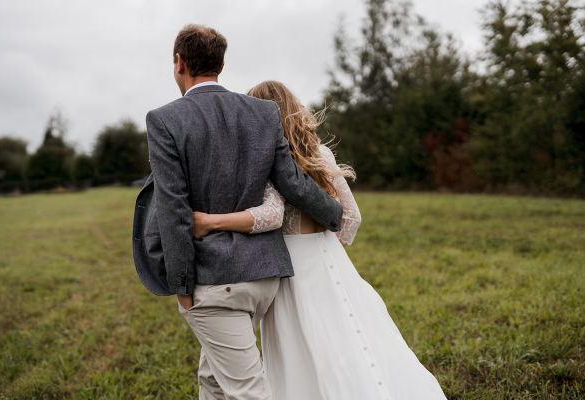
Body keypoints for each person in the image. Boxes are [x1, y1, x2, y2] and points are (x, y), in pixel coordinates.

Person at [192, 81, 448, 400]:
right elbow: (351, 218)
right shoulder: (320, 153)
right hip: (329, 259)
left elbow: (272, 216)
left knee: (300, 347)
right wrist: (326, 248)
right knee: (347, 338)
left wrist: (211, 222)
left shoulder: (265, 161)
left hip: (288, 266)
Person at [132, 25, 344, 400]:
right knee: (212, 380)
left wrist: (182, 286)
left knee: (247, 392)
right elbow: (292, 182)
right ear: (221, 64)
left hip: (215, 284)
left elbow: (173, 206)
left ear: (179, 62)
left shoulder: (164, 120)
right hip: (264, 278)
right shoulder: (263, 113)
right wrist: (334, 215)